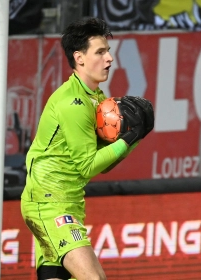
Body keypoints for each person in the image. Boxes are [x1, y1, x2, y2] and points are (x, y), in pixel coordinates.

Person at [20, 17, 154, 280]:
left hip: (67, 203)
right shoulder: (74, 104)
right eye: (100, 52)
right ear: (79, 57)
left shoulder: (99, 100)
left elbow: (105, 165)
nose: (109, 59)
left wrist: (135, 138)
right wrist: (127, 140)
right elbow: (87, 166)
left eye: (108, 51)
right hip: (49, 205)